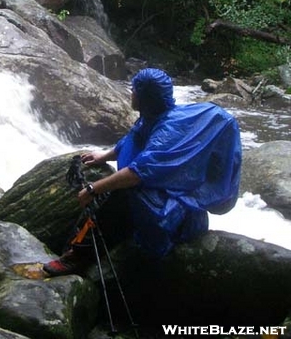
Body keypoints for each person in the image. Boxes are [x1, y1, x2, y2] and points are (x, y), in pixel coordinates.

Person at [43, 68, 242, 277]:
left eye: (134, 90)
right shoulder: (154, 116)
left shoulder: (168, 132)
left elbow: (138, 173)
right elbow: (136, 139)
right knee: (118, 192)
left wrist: (93, 189)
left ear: (144, 97)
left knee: (121, 195)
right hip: (164, 192)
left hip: (176, 212)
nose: (131, 94)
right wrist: (106, 155)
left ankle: (80, 256)